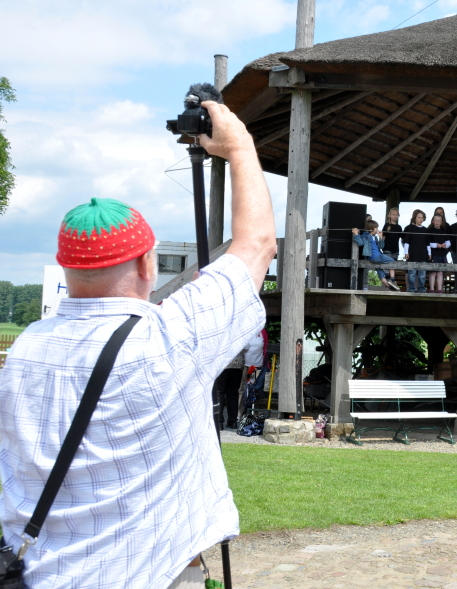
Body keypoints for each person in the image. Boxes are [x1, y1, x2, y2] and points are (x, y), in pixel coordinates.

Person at [0, 101, 276, 587]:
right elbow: (255, 246)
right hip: (144, 572)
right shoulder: (172, 337)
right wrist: (238, 146)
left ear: (69, 269)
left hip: (37, 574)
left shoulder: (25, 349)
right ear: (148, 265)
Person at [352, 220, 399, 290]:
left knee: (380, 273)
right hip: (376, 256)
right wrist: (356, 234)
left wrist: (380, 238)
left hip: (373, 257)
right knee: (392, 261)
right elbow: (360, 243)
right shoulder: (366, 236)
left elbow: (381, 247)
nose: (377, 229)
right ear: (371, 229)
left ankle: (390, 287)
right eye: (376, 228)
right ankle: (392, 280)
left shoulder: (375, 237)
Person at [402, 209, 429, 293]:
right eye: (419, 217)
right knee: (412, 273)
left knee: (422, 274)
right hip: (412, 254)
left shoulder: (425, 230)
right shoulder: (410, 228)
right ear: (415, 218)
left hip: (423, 254)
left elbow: (427, 243)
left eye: (422, 218)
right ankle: (411, 288)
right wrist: (406, 252)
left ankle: (421, 288)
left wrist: (429, 253)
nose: (420, 219)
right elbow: (406, 242)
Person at [425, 213, 451, 293]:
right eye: (435, 220)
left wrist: (445, 245)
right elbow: (427, 243)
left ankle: (440, 289)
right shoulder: (429, 231)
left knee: (440, 272)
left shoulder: (444, 231)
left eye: (439, 220)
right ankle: (432, 289)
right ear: (432, 221)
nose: (437, 222)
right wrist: (436, 245)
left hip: (442, 254)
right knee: (432, 272)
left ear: (441, 222)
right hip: (432, 254)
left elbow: (449, 242)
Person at [381, 207, 403, 286]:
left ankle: (391, 283)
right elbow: (383, 237)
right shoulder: (387, 225)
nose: (395, 216)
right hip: (387, 248)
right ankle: (388, 283)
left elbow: (402, 238)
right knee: (388, 266)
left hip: (395, 249)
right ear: (390, 215)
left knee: (393, 266)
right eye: (393, 214)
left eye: (396, 215)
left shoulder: (399, 227)